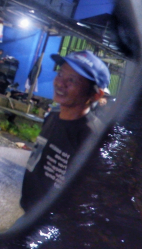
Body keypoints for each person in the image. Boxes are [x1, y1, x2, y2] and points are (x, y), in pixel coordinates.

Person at [20, 50, 109, 212]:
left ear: (96, 95)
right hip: (29, 213)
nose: (60, 83)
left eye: (72, 80)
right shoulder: (52, 117)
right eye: (60, 74)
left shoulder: (93, 137)